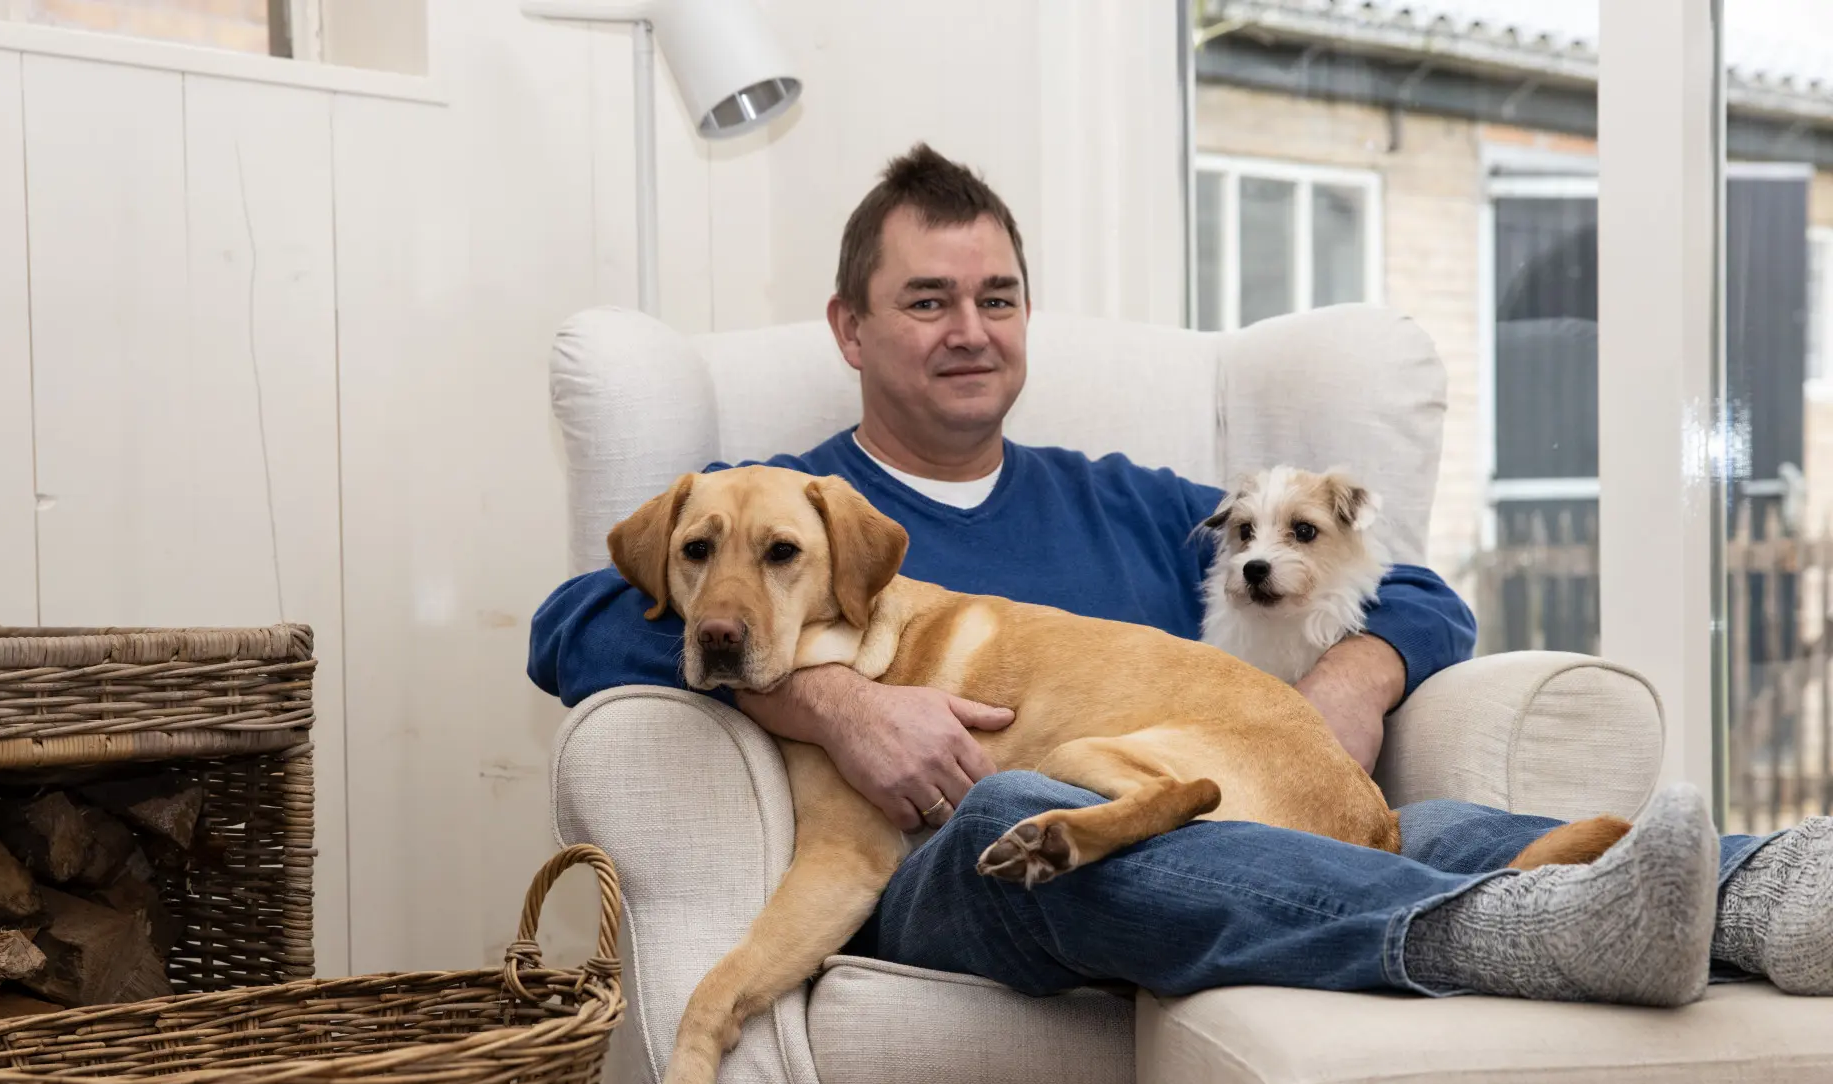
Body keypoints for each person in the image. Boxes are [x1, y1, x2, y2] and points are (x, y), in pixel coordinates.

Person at [530, 143, 1831, 1008]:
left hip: (1212, 827)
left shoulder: (1134, 503)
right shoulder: (779, 514)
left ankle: (1753, 895)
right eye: (928, 301)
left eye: (999, 295)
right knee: (1027, 816)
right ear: (850, 329)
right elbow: (577, 622)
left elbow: (1413, 590)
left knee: (1397, 825)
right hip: (968, 871)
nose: (972, 331)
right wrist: (837, 703)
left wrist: (1347, 695)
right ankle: (1504, 937)